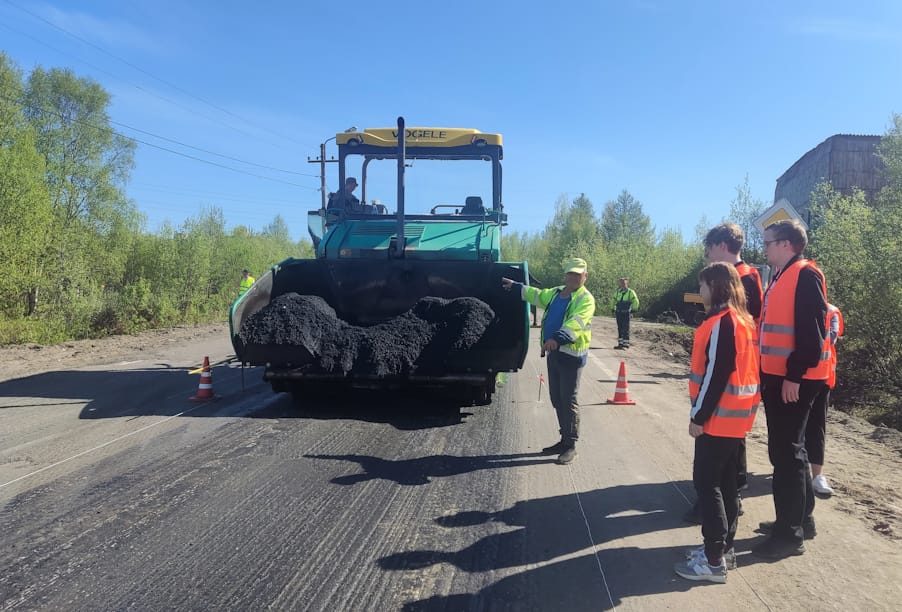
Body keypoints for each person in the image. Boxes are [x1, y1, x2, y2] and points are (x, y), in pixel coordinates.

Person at [673, 262, 760, 583]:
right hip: (737, 420)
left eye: (703, 285)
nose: (700, 291)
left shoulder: (724, 322)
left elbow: (715, 374)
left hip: (718, 419)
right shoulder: (744, 321)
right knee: (726, 486)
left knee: (707, 485)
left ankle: (712, 562)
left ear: (717, 287)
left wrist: (699, 416)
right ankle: (723, 550)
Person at [753, 218, 830, 559]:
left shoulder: (804, 274)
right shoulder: (782, 275)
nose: (764, 248)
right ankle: (800, 520)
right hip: (780, 376)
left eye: (768, 242)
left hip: (794, 380)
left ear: (786, 243)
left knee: (786, 455)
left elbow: (813, 335)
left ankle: (789, 535)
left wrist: (793, 377)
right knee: (789, 452)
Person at [683, 222, 765, 524]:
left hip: (735, 382)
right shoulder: (733, 284)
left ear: (721, 245)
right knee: (722, 458)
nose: (706, 255)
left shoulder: (745, 278)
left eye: (708, 248)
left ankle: (723, 512)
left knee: (722, 462)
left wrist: (699, 413)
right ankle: (723, 512)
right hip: (731, 383)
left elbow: (726, 357)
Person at [502, 258, 596, 465]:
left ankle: (571, 445)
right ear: (565, 275)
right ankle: (563, 439)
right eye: (570, 273)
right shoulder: (556, 292)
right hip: (554, 354)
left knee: (568, 399)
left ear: (585, 276)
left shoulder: (585, 299)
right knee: (556, 399)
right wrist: (517, 287)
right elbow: (537, 295)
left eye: (578, 274)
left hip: (572, 356)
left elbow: (576, 322)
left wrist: (557, 338)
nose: (573, 277)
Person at [808, 303, 844, 497]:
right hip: (795, 378)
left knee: (817, 426)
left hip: (821, 380)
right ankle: (792, 469)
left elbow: (831, 337)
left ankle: (817, 476)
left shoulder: (831, 312)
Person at [611, 277, 639, 349]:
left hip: (626, 313)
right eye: (621, 283)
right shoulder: (617, 292)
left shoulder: (630, 292)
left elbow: (635, 301)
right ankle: (620, 344)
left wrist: (634, 310)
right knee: (620, 328)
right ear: (619, 284)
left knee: (625, 328)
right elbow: (613, 300)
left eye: (624, 283)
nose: (623, 284)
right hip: (618, 312)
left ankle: (626, 344)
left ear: (627, 283)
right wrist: (612, 309)